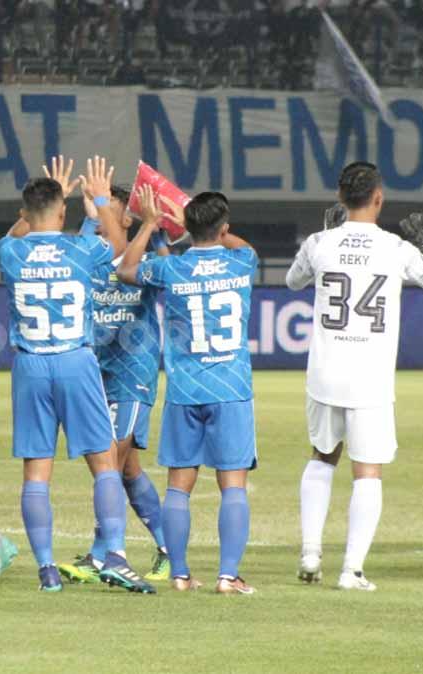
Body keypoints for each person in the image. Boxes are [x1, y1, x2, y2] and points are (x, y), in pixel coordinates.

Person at [287, 162, 423, 591]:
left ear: (339, 197)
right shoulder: (395, 248)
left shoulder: (320, 242)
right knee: (367, 471)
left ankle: (310, 553)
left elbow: (292, 281)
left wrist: (328, 236)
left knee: (322, 456)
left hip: (325, 373)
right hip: (370, 378)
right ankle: (351, 570)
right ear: (378, 198)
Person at [0, 155, 153, 593]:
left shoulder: (9, 250)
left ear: (25, 212)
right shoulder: (81, 249)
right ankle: (115, 556)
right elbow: (118, 246)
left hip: (30, 365)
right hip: (75, 361)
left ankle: (46, 569)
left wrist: (44, 205)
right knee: (104, 464)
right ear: (64, 213)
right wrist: (100, 200)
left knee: (36, 473)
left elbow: (14, 233)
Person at [117, 187, 259, 595]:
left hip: (184, 390)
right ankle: (228, 577)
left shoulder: (172, 268)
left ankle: (179, 574)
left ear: (190, 229)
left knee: (179, 485)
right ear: (224, 228)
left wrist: (149, 225)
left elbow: (126, 270)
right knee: (233, 484)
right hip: (230, 388)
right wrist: (195, 224)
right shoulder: (241, 260)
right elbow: (243, 245)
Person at [58, 184, 172, 584]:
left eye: (109, 209)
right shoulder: (89, 254)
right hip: (97, 371)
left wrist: (156, 232)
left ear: (127, 218)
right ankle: (168, 550)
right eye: (97, 209)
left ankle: (100, 554)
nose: (102, 215)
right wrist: (90, 217)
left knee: (111, 464)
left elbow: (167, 274)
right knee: (126, 470)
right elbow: (75, 251)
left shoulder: (141, 259)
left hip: (133, 372)